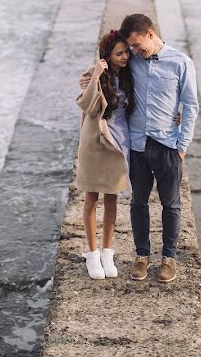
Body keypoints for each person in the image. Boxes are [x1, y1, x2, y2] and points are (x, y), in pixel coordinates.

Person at [79, 13, 198, 283]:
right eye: (129, 48)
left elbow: (191, 106)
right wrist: (88, 78)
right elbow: (107, 64)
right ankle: (141, 256)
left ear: (151, 34)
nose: (133, 52)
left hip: (168, 143)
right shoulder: (133, 62)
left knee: (171, 204)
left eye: (136, 45)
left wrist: (182, 144)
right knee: (138, 202)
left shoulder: (181, 62)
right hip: (136, 144)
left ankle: (168, 258)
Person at [74, 30, 135, 279]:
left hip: (120, 143)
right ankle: (92, 252)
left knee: (112, 199)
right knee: (92, 198)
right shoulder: (94, 74)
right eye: (118, 54)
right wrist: (96, 74)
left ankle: (108, 251)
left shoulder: (130, 75)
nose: (124, 57)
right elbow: (86, 105)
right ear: (106, 56)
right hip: (97, 142)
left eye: (126, 53)